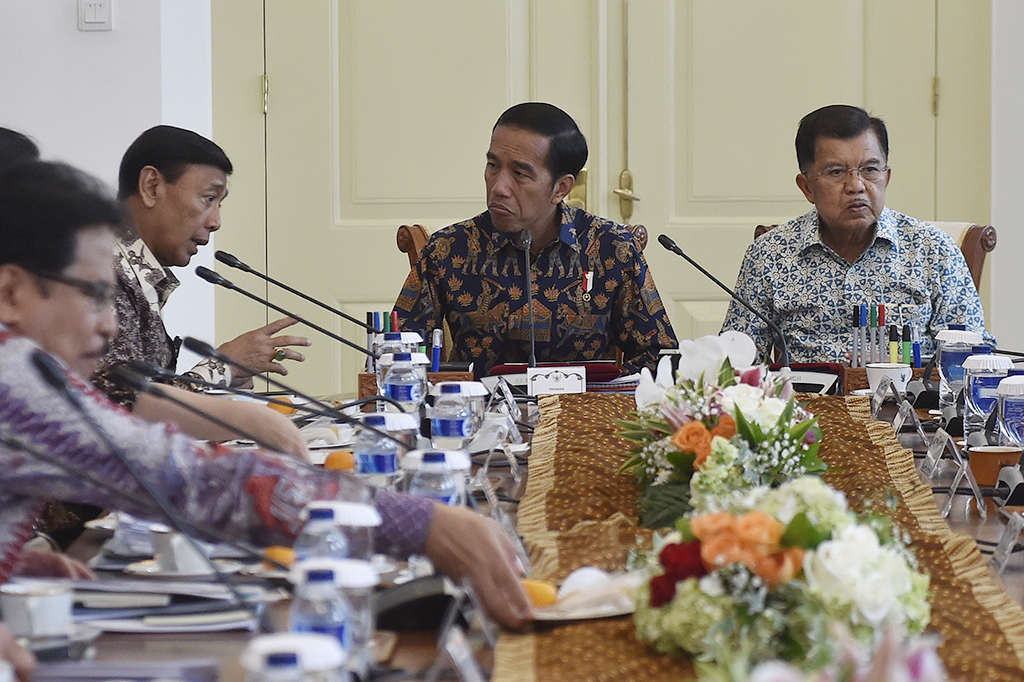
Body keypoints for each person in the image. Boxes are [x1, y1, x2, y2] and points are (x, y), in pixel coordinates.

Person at [0, 160, 530, 629]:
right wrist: (424, 524)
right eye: (95, 296)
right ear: (11, 292)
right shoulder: (16, 385)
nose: (111, 326)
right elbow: (202, 482)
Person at [394, 102, 677, 378]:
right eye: (493, 165)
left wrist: (599, 393)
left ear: (561, 188)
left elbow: (659, 356)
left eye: (520, 174)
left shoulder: (611, 248)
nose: (499, 187)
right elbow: (398, 352)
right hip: (480, 417)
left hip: (581, 417)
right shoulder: (448, 249)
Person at [92, 125, 311, 457]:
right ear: (152, 186)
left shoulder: (131, 271)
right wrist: (221, 368)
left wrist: (223, 377)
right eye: (209, 198)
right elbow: (123, 406)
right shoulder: (101, 273)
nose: (216, 221)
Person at [721, 104, 994, 363]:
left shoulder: (933, 250)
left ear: (886, 177)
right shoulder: (770, 255)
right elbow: (736, 362)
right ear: (807, 187)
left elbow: (972, 358)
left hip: (909, 408)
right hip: (808, 408)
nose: (856, 186)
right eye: (836, 172)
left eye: (870, 170)